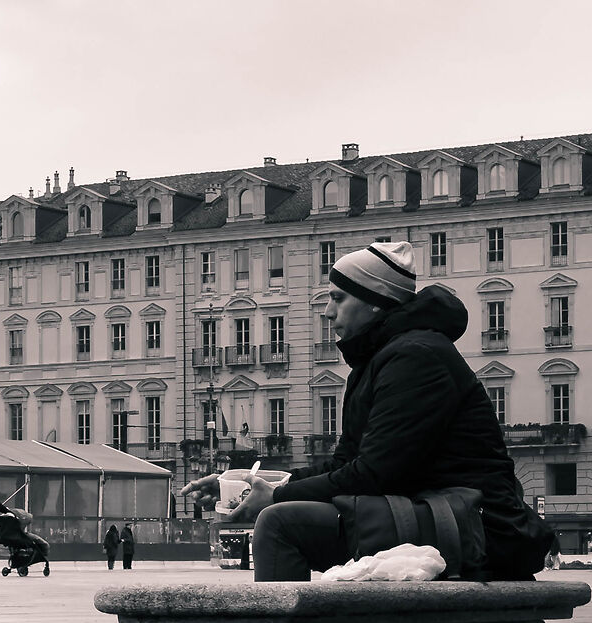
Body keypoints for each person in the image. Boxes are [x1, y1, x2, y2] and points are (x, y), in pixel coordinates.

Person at [232, 242, 550, 583]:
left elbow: (374, 474)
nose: (327, 311)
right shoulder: (380, 359)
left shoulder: (415, 357)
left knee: (281, 523)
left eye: (338, 298)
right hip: (434, 513)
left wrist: (278, 496)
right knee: (282, 515)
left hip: (481, 528)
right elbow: (345, 464)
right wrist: (260, 483)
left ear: (375, 302)